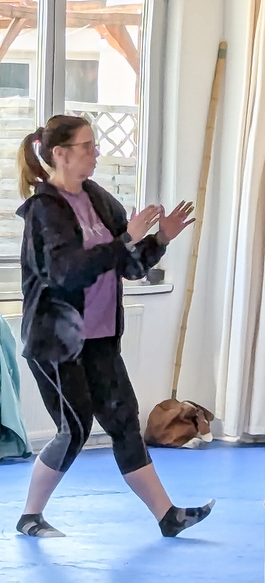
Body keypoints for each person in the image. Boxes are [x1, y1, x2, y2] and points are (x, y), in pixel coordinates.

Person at [15, 114, 213, 538]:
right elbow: (67, 272)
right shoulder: (44, 209)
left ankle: (167, 516)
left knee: (124, 421)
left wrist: (159, 239)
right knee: (75, 428)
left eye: (95, 145)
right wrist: (125, 240)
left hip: (101, 337)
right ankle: (30, 515)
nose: (96, 153)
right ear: (60, 154)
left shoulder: (100, 200)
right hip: (57, 339)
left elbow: (128, 266)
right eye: (87, 146)